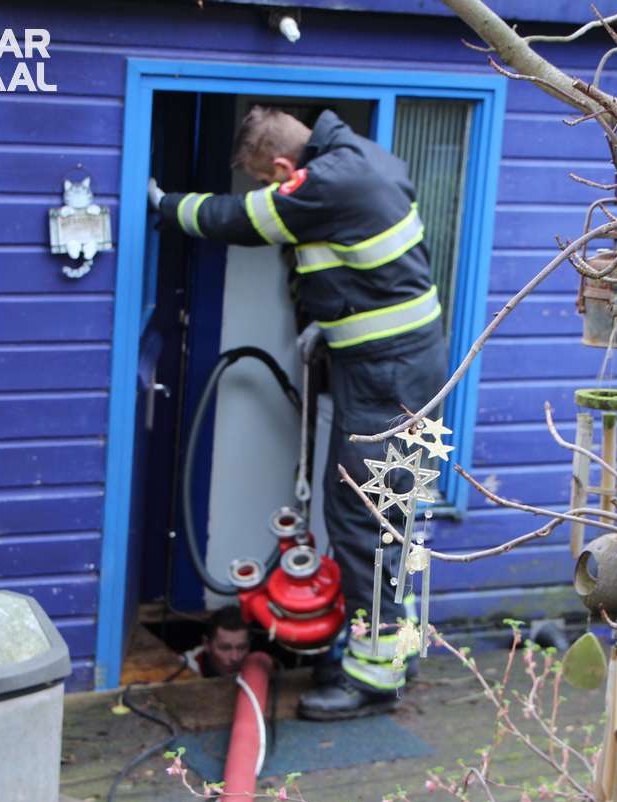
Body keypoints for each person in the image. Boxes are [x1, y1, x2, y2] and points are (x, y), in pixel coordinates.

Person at [150, 105, 448, 719]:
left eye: (268, 180)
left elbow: (239, 218)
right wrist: (329, 325)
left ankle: (373, 679)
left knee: (364, 520)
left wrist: (162, 203)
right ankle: (397, 650)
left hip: (385, 375)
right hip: (399, 367)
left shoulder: (325, 183)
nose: (269, 189)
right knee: (389, 518)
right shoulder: (366, 158)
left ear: (286, 168)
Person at [183, 606, 252, 678]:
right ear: (206, 644)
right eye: (225, 648)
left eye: (242, 647)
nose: (235, 658)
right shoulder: (185, 666)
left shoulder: (256, 663)